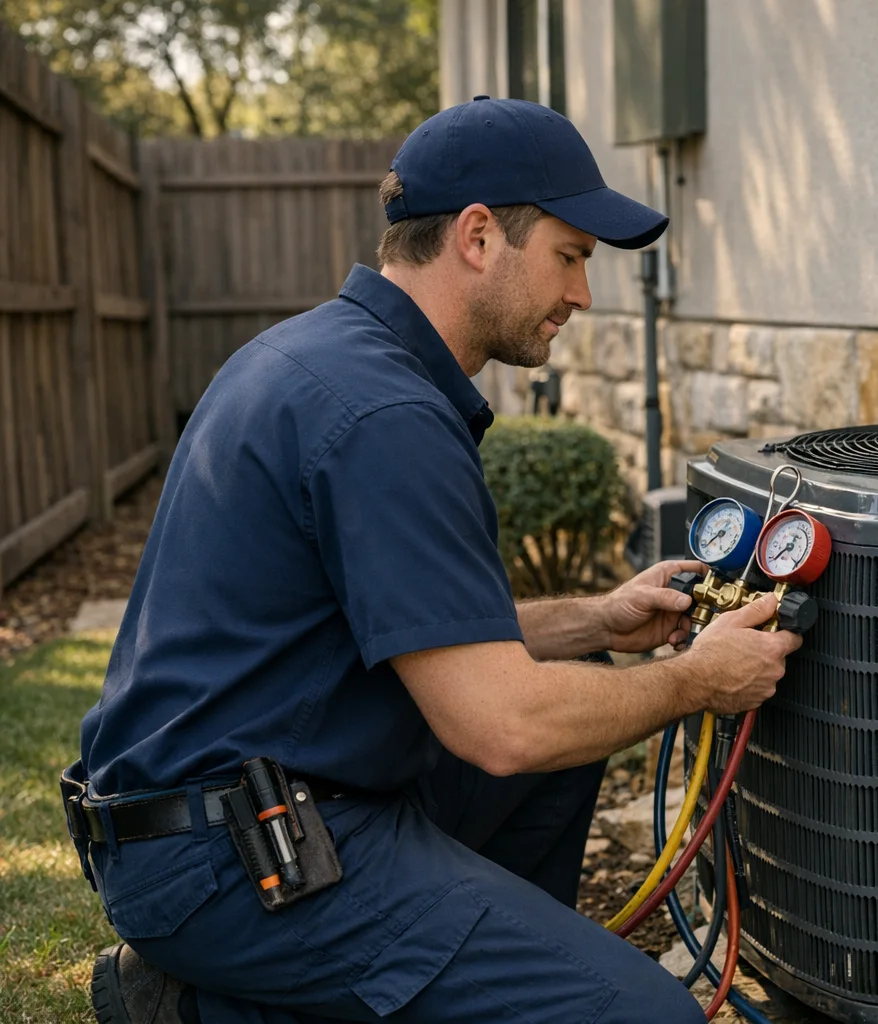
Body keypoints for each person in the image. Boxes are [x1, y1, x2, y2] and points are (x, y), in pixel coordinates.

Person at [65, 97, 801, 1024]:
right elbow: (506, 727)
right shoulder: (384, 416)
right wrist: (699, 678)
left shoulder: (317, 357)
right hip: (235, 856)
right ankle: (200, 1005)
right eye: (571, 257)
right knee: (647, 1015)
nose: (581, 294)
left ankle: (461, 981)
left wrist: (599, 619)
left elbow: (401, 629)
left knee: (573, 669)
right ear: (480, 236)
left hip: (215, 816)